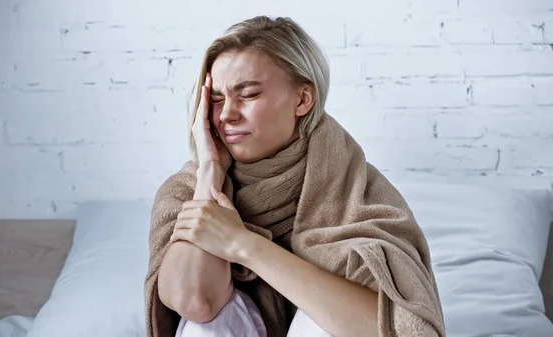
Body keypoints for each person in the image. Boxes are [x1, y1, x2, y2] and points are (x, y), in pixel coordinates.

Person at [144, 15, 445, 337]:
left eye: (248, 95)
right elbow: (195, 302)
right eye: (216, 98)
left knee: (322, 321)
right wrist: (209, 174)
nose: (227, 114)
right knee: (202, 326)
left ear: (302, 99)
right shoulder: (187, 189)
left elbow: (391, 328)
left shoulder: (359, 192)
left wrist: (243, 245)